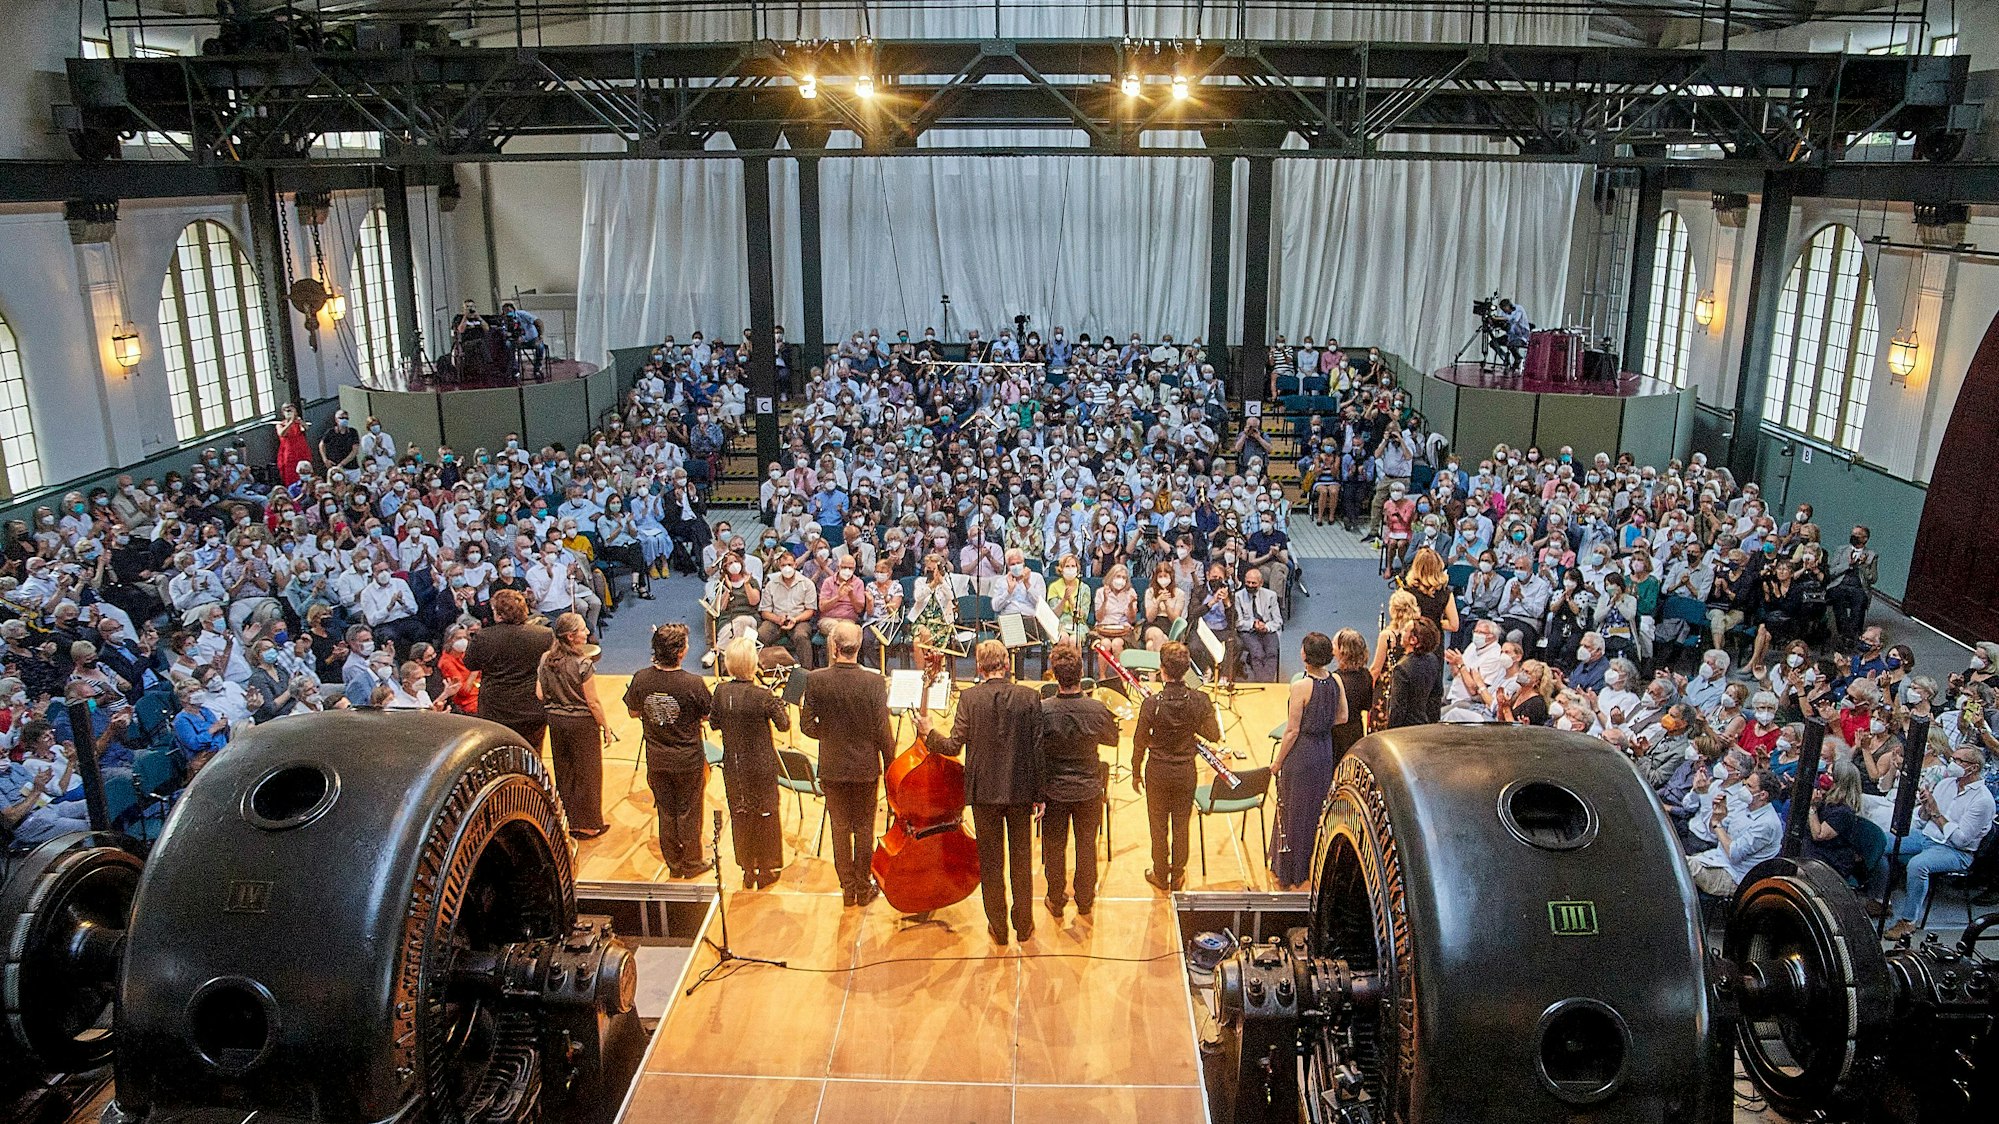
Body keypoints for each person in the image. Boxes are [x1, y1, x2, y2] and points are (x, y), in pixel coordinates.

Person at [919, 638, 1044, 944]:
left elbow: (952, 745)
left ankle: (998, 929)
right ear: (1008, 664)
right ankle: (1024, 927)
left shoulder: (970, 699)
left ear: (978, 667)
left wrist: (928, 733)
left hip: (983, 792)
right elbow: (1038, 750)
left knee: (991, 863)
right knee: (1021, 860)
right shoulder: (1029, 697)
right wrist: (1039, 794)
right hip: (1020, 790)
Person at [800, 620, 896, 907]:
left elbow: (806, 726)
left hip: (832, 766)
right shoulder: (874, 682)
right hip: (865, 767)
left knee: (839, 828)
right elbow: (882, 730)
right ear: (859, 646)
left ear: (833, 646)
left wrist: (828, 735)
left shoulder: (816, 680)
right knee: (865, 828)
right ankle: (863, 888)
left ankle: (847, 890)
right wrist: (891, 766)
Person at [622, 623, 714, 876]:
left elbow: (633, 711)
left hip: (657, 758)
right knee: (689, 811)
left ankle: (674, 864)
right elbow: (708, 715)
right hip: (687, 758)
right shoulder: (693, 683)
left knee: (666, 810)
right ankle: (692, 863)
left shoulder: (641, 678)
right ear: (681, 652)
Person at [1131, 642, 1221, 891]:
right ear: (1186, 670)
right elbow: (1213, 735)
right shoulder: (1200, 699)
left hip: (1157, 772)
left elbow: (1139, 741)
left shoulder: (1152, 703)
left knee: (1157, 825)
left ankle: (1160, 874)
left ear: (1161, 669)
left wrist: (1136, 772)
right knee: (1182, 824)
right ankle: (1178, 875)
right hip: (1185, 772)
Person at [1038, 639, 1117, 918]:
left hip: (1054, 790)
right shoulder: (1096, 709)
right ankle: (1084, 900)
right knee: (1086, 845)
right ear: (1081, 673)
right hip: (1088, 788)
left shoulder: (1044, 709)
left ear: (1054, 674)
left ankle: (1056, 898)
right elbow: (1112, 739)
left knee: (1055, 846)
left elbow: (1036, 749)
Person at [1883, 744, 1994, 941]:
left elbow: (1961, 840)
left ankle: (1908, 920)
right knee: (1882, 842)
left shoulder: (1983, 800)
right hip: (1927, 836)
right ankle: (1880, 899)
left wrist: (1935, 811)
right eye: (1954, 758)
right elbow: (1924, 819)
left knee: (1918, 865)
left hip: (1956, 852)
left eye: (1959, 761)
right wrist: (1926, 808)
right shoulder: (1946, 784)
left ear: (1973, 767)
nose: (1953, 763)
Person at [708, 635, 790, 888]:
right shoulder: (763, 695)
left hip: (734, 766)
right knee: (766, 813)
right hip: (761, 765)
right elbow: (784, 725)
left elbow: (713, 723)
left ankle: (747, 869)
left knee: (741, 814)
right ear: (753, 664)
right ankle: (766, 868)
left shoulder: (721, 691)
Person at [1271, 632, 1349, 890]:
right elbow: (1343, 717)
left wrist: (1278, 762)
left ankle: (1289, 871)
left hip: (1302, 753)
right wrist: (1321, 725)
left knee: (1293, 810)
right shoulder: (1336, 680)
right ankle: (1308, 866)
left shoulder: (1301, 686)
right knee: (1314, 810)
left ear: (1305, 655)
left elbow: (1292, 731)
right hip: (1323, 749)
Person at [537, 611, 613, 840]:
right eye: (582, 629)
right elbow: (593, 702)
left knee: (565, 770)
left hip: (556, 721)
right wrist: (606, 727)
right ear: (571, 636)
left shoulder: (544, 659)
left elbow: (540, 694)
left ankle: (568, 820)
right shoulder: (583, 663)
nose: (588, 632)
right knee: (588, 773)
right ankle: (589, 824)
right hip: (581, 723)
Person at [463, 590, 553, 749]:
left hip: (496, 711)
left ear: (498, 614)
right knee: (532, 755)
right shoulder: (544, 635)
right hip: (532, 709)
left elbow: (471, 664)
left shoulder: (483, 637)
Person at [1686, 767, 1782, 897]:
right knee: (1674, 857)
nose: (1743, 789)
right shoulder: (1743, 806)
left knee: (1681, 867)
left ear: (1763, 795)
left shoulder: (1767, 824)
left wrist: (1717, 824)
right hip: (1714, 858)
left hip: (1732, 876)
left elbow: (1734, 853)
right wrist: (1717, 816)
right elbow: (1714, 832)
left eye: (1749, 786)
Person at [1384, 617, 1444, 729]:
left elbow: (1398, 708)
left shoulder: (1402, 668)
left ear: (1413, 640)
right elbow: (1436, 694)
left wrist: (1390, 731)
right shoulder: (1433, 659)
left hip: (1405, 729)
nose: (1402, 632)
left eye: (1405, 630)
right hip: (1424, 725)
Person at [274, 402, 311, 486]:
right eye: (287, 410)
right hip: (289, 454)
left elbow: (306, 428)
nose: (289, 412)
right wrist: (290, 422)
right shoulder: (280, 425)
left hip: (301, 452)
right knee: (290, 476)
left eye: (291, 410)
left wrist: (299, 421)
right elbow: (281, 433)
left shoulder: (298, 423)